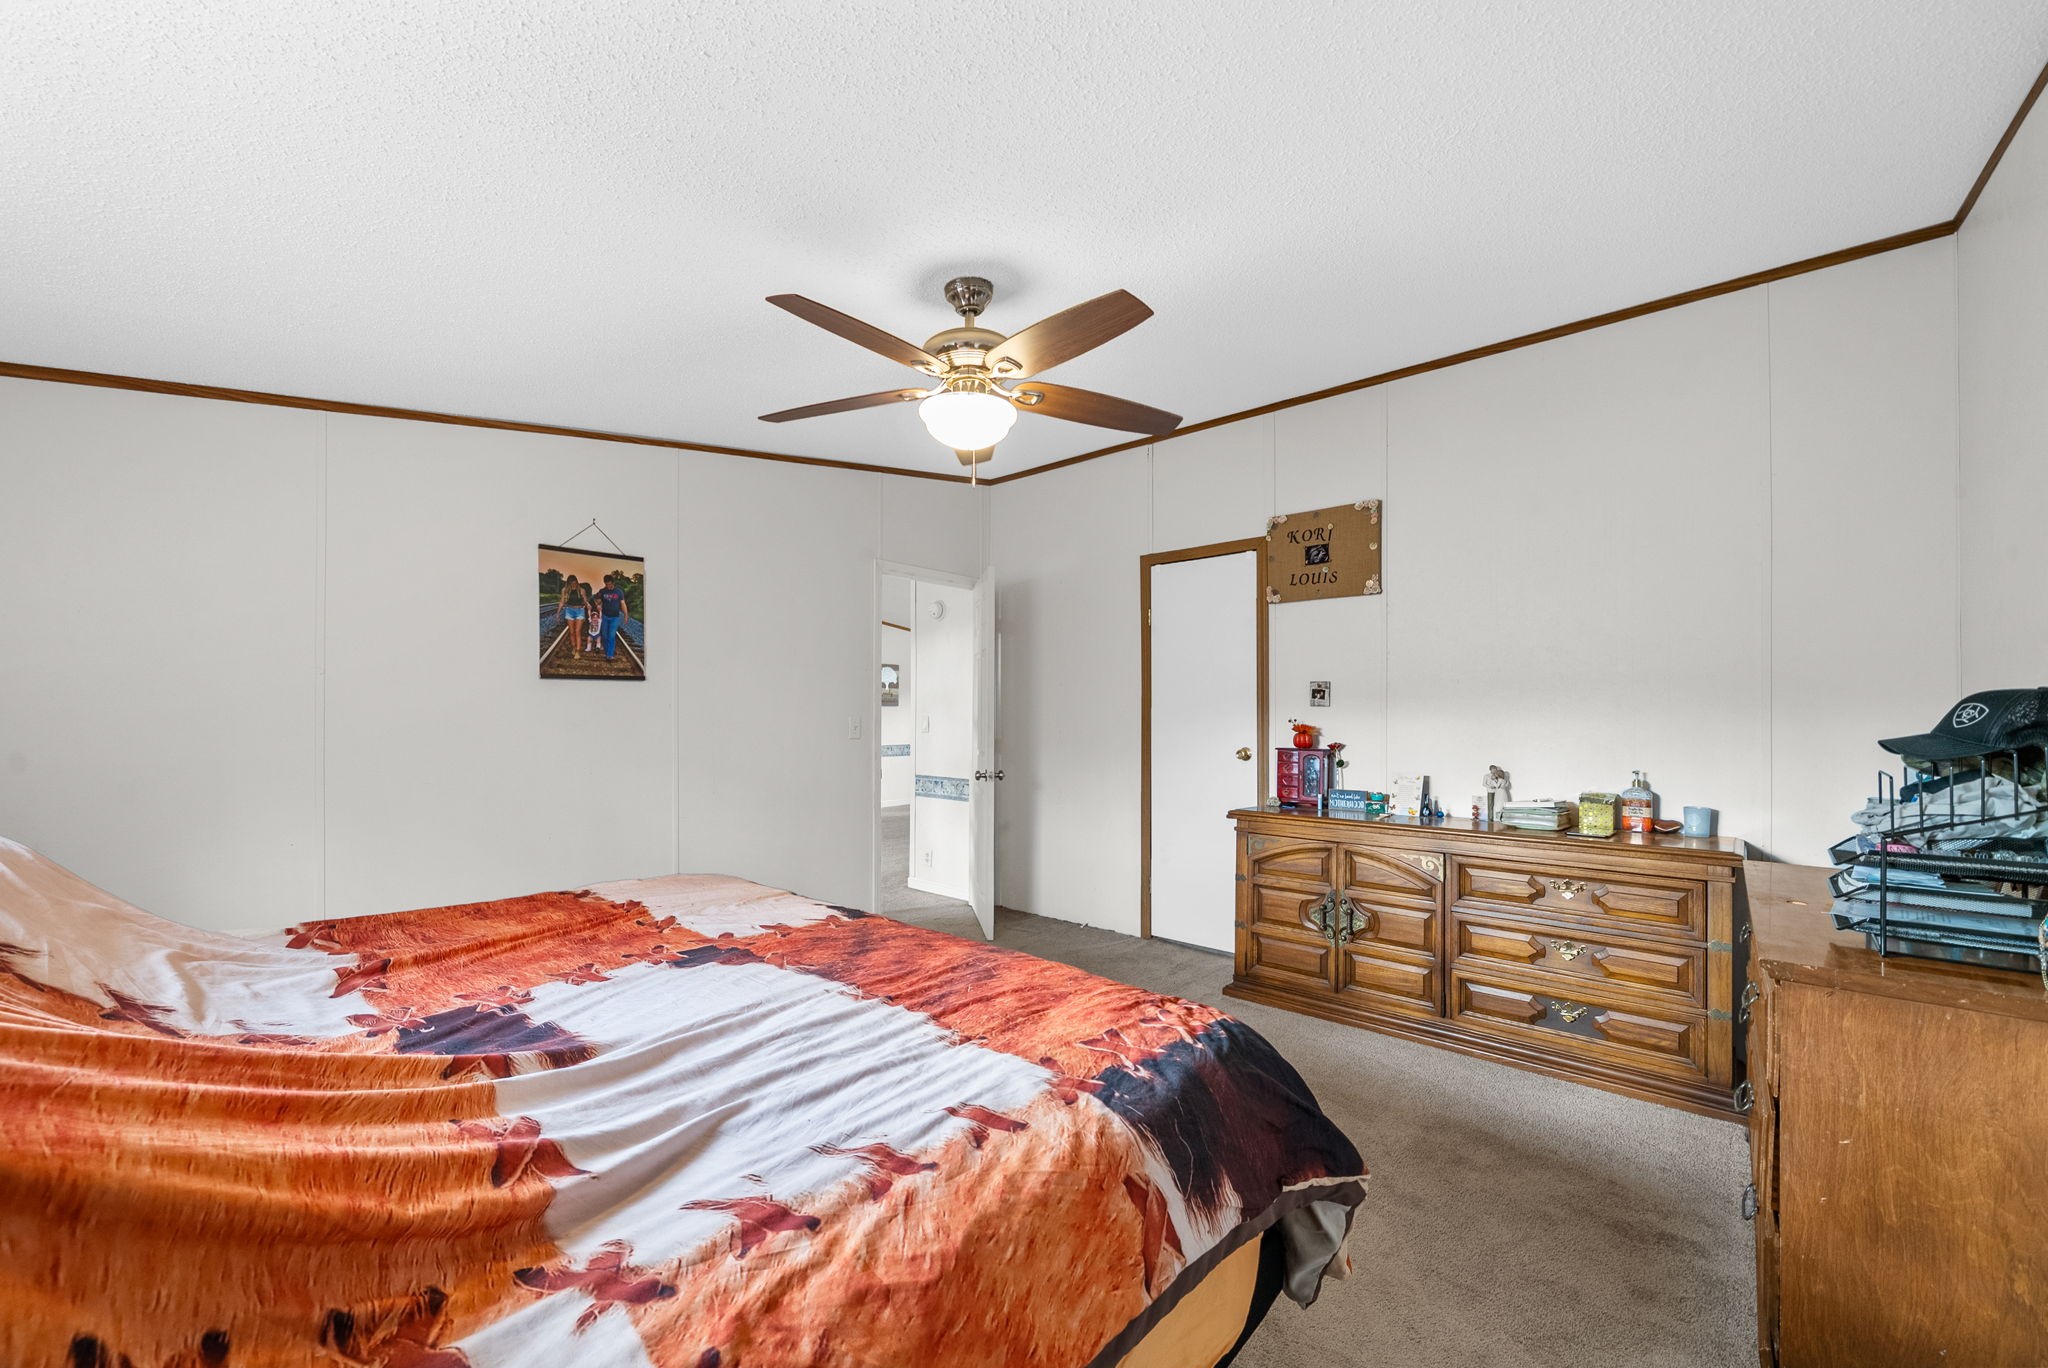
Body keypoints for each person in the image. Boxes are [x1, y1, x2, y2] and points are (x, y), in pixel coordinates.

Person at [596, 572, 631, 660]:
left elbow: (623, 603)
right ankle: (607, 651)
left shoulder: (619, 591)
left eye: (610, 584)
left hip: (615, 617)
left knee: (611, 636)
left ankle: (609, 655)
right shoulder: (602, 591)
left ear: (613, 583)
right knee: (604, 635)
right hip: (605, 616)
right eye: (606, 584)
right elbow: (598, 601)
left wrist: (626, 615)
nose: (608, 586)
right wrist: (598, 603)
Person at [556, 575, 590, 659]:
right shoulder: (565, 590)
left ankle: (578, 651)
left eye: (575, 583)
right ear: (568, 583)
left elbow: (585, 601)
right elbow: (561, 602)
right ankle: (574, 648)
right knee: (571, 632)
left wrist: (588, 605)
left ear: (577, 582)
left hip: (580, 611)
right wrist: (558, 613)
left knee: (577, 631)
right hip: (569, 611)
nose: (574, 584)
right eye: (572, 583)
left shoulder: (581, 590)